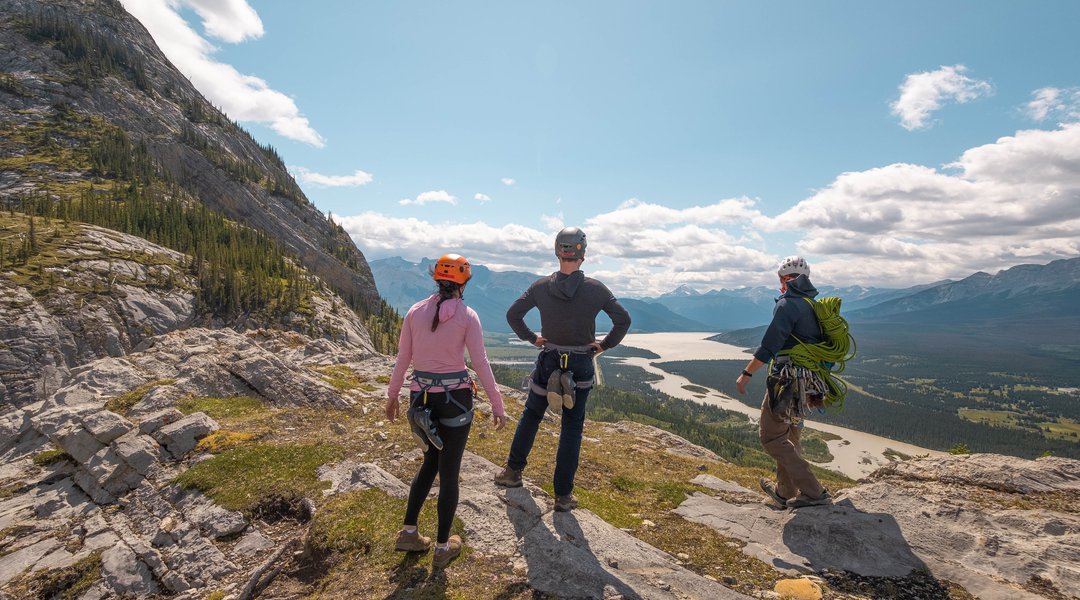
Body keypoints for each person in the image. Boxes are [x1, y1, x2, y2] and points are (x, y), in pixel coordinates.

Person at [493, 227, 631, 511]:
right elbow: (623, 320)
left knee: (532, 415)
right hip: (580, 362)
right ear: (583, 252)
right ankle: (563, 496)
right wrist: (603, 346)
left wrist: (532, 338)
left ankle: (512, 472)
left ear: (558, 251)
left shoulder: (541, 287)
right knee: (572, 426)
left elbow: (513, 315)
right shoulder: (596, 289)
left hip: (549, 358)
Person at [386, 253, 507, 569]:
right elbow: (479, 363)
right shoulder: (468, 316)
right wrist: (497, 404)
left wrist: (392, 396)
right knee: (449, 471)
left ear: (436, 279)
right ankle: (442, 548)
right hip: (455, 399)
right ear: (463, 281)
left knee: (429, 463)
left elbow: (403, 358)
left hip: (420, 399)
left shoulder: (414, 312)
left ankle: (409, 532)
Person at [736, 255, 832, 509]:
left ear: (784, 280)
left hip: (787, 382)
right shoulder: (812, 304)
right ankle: (784, 491)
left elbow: (770, 343)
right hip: (809, 383)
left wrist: (746, 373)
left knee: (771, 437)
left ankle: (813, 491)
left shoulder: (787, 303)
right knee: (791, 436)